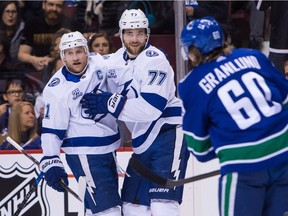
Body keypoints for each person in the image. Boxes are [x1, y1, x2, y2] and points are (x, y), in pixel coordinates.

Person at [81, 9, 189, 216]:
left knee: (162, 205)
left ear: (147, 34)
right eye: (129, 33)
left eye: (140, 33)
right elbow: (86, 69)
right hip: (142, 143)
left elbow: (151, 108)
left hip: (168, 134)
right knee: (132, 207)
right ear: (121, 35)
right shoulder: (114, 60)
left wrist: (110, 103)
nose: (135, 39)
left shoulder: (155, 60)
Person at [178, 16, 288, 216]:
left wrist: (225, 144)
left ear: (193, 51)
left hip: (244, 168)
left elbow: (199, 149)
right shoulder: (253, 55)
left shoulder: (191, 84)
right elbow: (284, 96)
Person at [39, 31, 122, 215]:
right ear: (62, 56)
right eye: (69, 53)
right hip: (85, 154)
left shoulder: (98, 62)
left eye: (79, 51)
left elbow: (121, 58)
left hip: (108, 150)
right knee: (109, 211)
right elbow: (52, 131)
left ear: (87, 51)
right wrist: (51, 160)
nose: (75, 57)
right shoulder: (57, 89)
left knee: (96, 208)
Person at [17, 0, 76, 74]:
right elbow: (21, 54)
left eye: (58, 6)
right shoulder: (32, 24)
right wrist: (34, 59)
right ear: (43, 5)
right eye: (51, 4)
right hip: (37, 69)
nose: (54, 9)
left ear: (63, 8)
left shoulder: (71, 25)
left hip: (64, 68)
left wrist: (53, 61)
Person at [256, 1, 288, 74]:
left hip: (280, 42)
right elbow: (260, 5)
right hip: (280, 43)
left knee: (274, 82)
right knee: (274, 81)